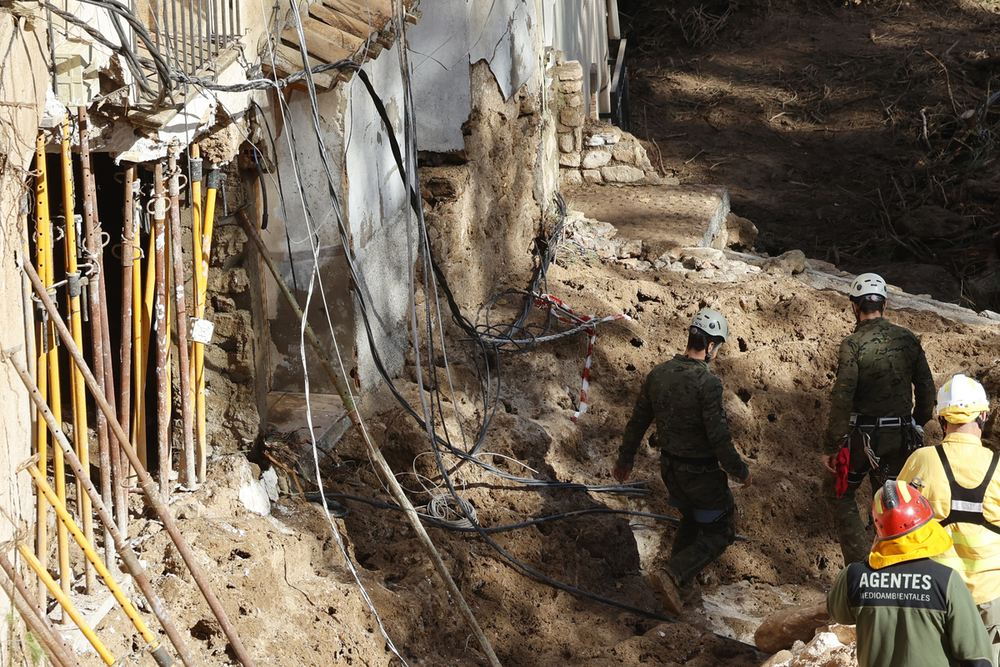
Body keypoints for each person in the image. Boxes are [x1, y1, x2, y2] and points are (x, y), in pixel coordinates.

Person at [612, 308, 752, 617]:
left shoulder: (658, 374)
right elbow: (719, 438)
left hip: (670, 470)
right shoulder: (708, 383)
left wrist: (625, 460)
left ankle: (681, 589)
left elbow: (636, 423)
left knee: (691, 519)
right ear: (712, 345)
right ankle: (673, 574)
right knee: (722, 530)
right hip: (700, 473)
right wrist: (740, 470)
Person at [822, 272, 935, 566]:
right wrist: (917, 424)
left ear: (854, 306)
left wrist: (833, 444)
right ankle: (898, 569)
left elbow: (842, 396)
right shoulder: (908, 339)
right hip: (900, 438)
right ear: (884, 305)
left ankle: (862, 568)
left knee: (837, 492)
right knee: (892, 502)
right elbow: (926, 390)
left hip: (862, 440)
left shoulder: (853, 343)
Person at [827, 479, 993, 667]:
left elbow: (839, 614)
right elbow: (977, 657)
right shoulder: (946, 581)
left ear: (878, 526)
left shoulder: (854, 576)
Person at [898, 373, 1000, 666]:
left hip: (935, 593)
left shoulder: (922, 461)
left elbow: (896, 527)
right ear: (982, 416)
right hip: (989, 594)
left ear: (942, 420)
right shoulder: (998, 468)